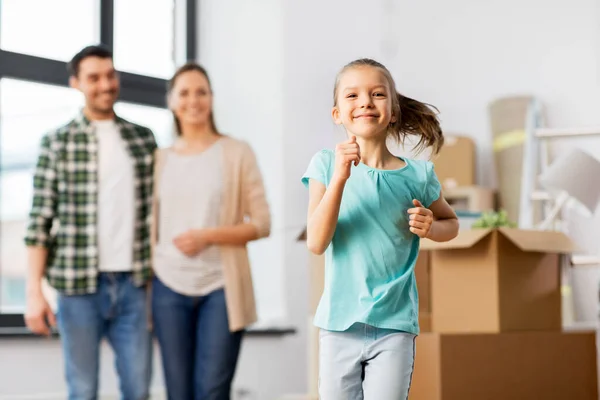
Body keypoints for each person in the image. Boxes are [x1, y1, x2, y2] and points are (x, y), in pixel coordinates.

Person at [302, 58, 459, 400]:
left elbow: (451, 224)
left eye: (377, 94)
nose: (365, 102)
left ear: (393, 111)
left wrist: (432, 227)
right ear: (337, 114)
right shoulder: (326, 165)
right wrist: (341, 177)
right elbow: (316, 242)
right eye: (352, 95)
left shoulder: (419, 175)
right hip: (338, 326)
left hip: (395, 327)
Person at [24, 45, 156, 400]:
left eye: (110, 75)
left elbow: (157, 215)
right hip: (77, 287)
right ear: (76, 84)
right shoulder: (57, 142)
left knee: (138, 388)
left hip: (134, 285)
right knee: (82, 390)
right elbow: (39, 221)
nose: (104, 84)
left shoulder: (143, 140)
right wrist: (34, 293)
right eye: (94, 77)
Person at [150, 62, 271, 400]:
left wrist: (207, 236)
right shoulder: (158, 159)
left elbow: (262, 223)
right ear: (172, 102)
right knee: (179, 393)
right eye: (184, 93)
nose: (194, 100)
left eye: (201, 91)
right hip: (167, 288)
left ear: (212, 98)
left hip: (222, 288)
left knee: (212, 392)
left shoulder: (236, 152)